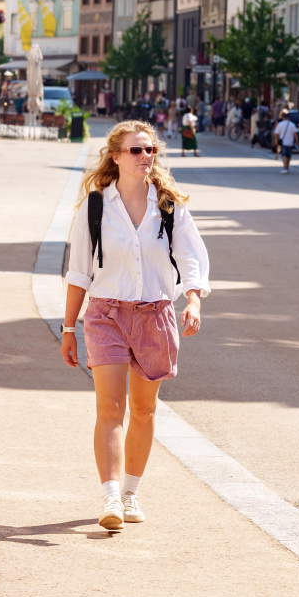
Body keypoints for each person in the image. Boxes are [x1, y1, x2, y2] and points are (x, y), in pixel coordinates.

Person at [60, 120, 209, 529]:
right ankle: (109, 496)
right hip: (105, 314)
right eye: (136, 151)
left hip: (155, 313)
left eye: (150, 151)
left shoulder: (169, 205)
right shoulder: (95, 207)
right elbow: (78, 273)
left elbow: (191, 256)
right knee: (109, 408)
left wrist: (193, 299)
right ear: (116, 156)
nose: (145, 157)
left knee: (143, 411)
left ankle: (130, 493)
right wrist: (68, 328)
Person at [274, 109, 297, 175]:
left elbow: (276, 134)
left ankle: (285, 167)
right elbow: (295, 134)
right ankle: (287, 167)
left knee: (284, 155)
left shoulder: (280, 124)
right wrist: (297, 141)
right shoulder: (292, 124)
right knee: (289, 155)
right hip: (290, 142)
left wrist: (277, 141)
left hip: (283, 142)